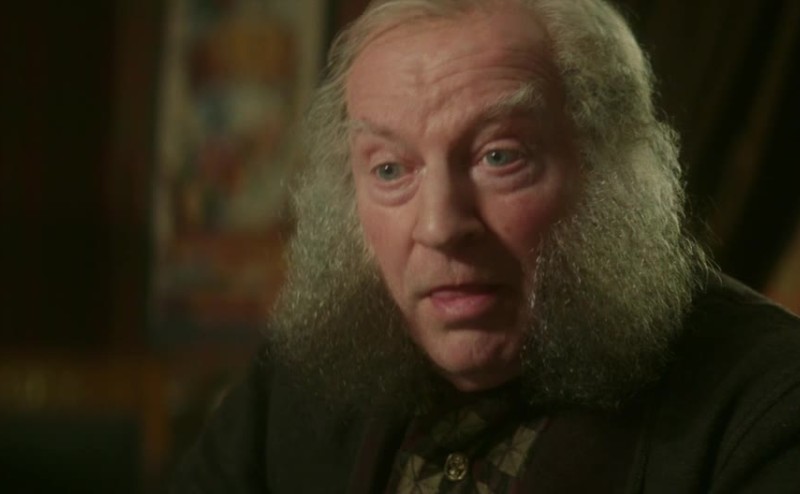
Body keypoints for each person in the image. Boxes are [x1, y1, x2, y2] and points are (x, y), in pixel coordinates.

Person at [172, 0, 800, 492]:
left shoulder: (769, 403)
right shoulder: (300, 376)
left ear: (606, 169)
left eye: (499, 157)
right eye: (390, 169)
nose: (440, 226)